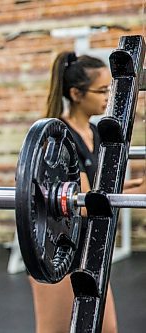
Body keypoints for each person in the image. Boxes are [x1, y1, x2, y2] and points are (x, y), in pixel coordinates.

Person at [30, 51, 145, 333]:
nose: (108, 96)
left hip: (90, 246)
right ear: (76, 94)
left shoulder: (95, 133)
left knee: (107, 329)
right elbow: (79, 201)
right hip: (59, 248)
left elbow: (100, 190)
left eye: (110, 89)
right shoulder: (60, 139)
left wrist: (136, 188)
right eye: (102, 90)